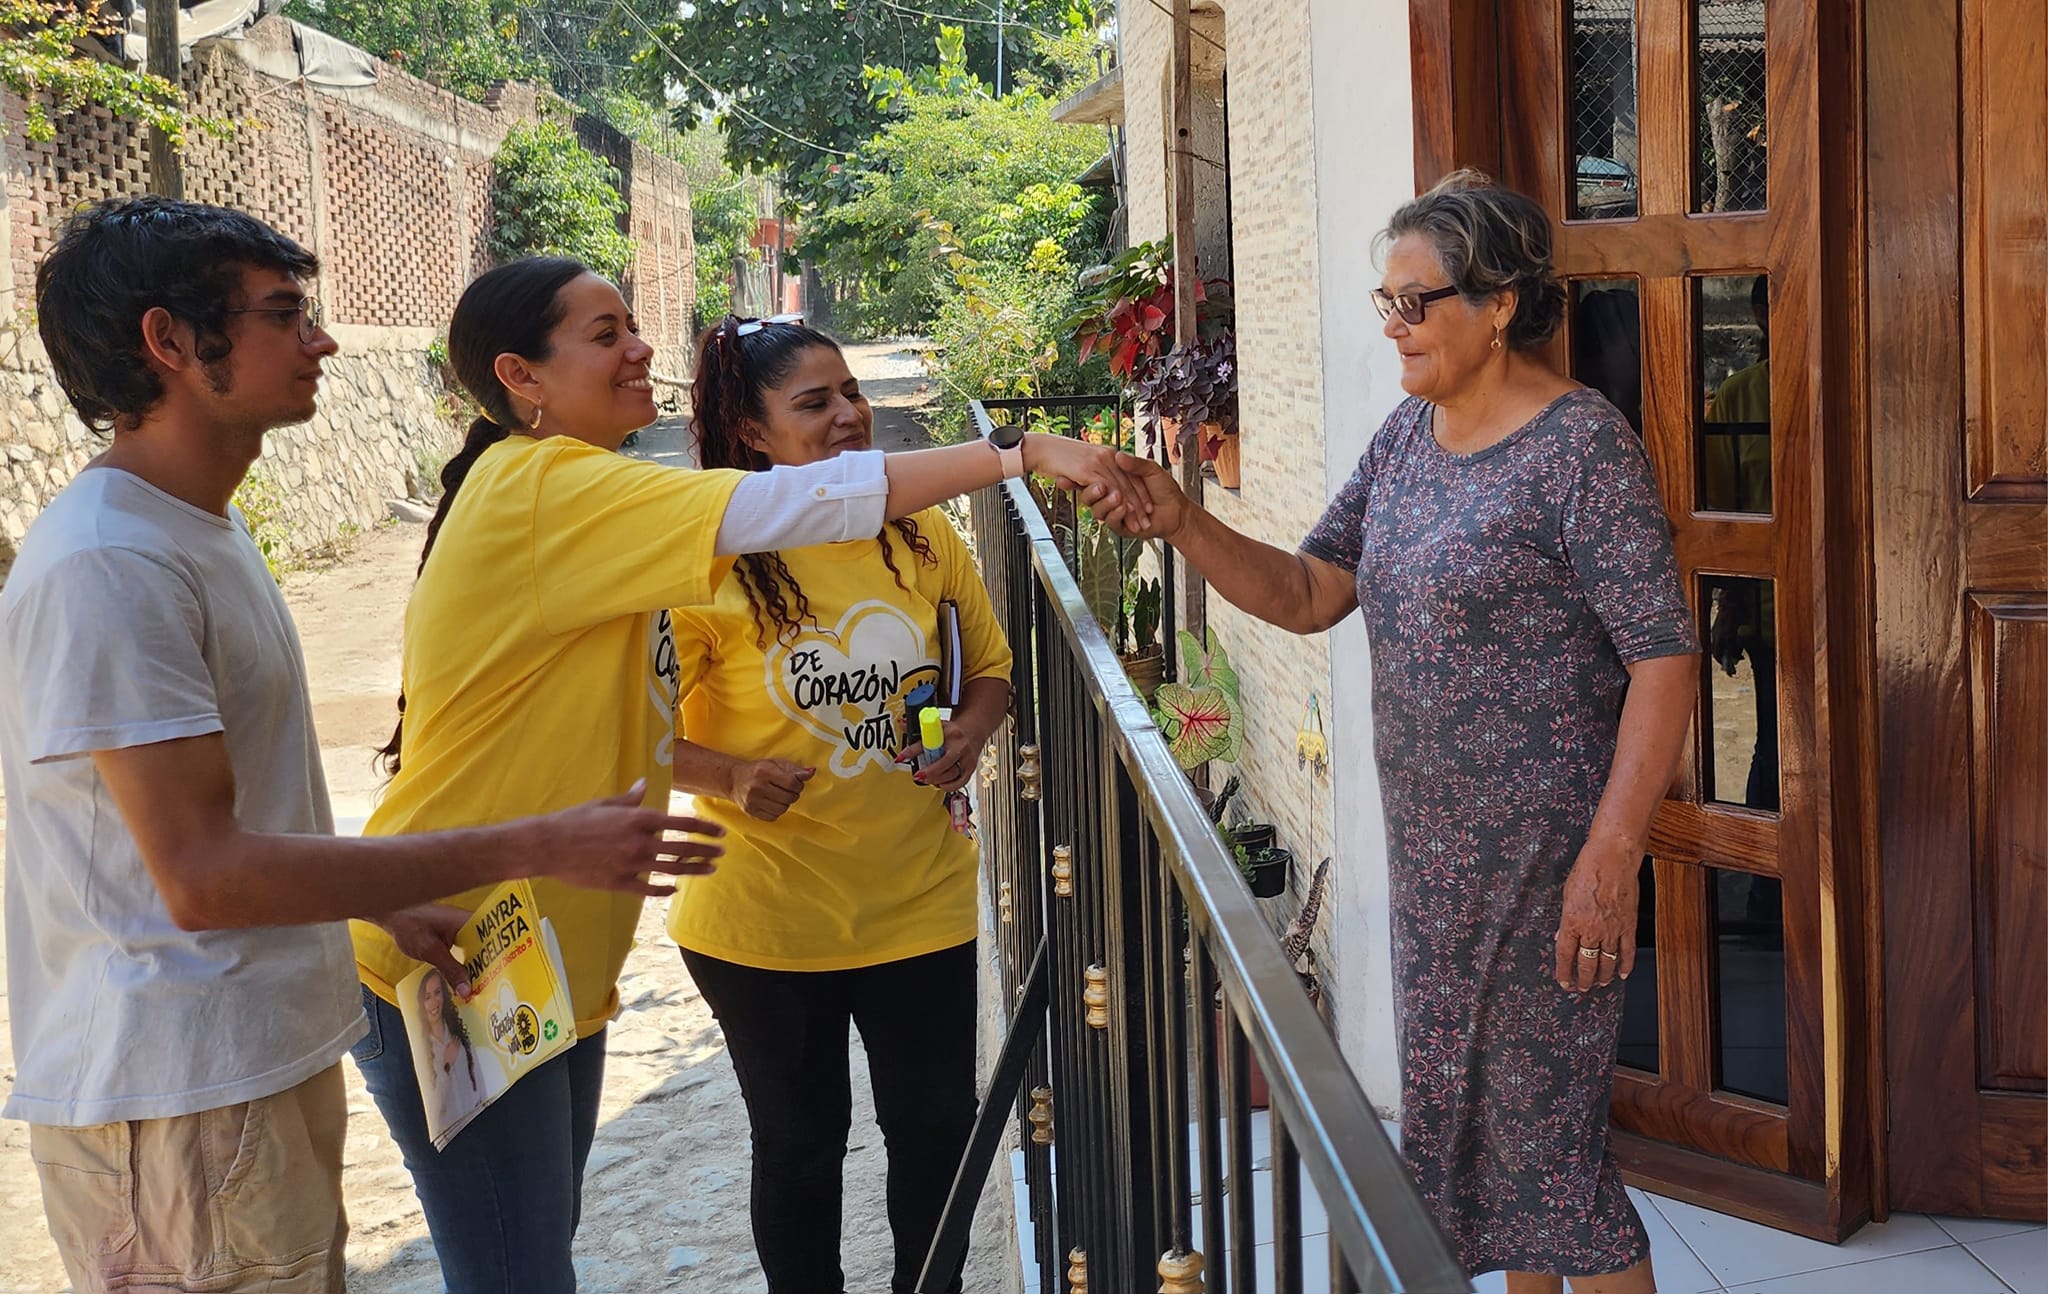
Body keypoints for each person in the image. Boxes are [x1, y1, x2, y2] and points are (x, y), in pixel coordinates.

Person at [346, 258, 1140, 1293]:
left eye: (632, 323)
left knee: (532, 1260)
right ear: (520, 375)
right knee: (521, 1272)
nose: (638, 347)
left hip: (539, 956)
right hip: (461, 938)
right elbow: (795, 511)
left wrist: (946, 726)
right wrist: (1019, 451)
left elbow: (941, 656)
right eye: (603, 334)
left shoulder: (590, 507)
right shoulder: (543, 485)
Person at [0, 199, 729, 1294]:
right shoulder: (113, 564)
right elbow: (202, 877)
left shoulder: (197, 529)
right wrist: (528, 843)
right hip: (176, 1097)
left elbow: (249, 828)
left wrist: (380, 898)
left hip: (250, 1067)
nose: (323, 341)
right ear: (169, 342)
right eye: (284, 315)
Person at [1109, 171, 1698, 1293]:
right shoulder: (1409, 437)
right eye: (1383, 301)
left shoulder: (1581, 447)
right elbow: (1305, 591)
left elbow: (1662, 658)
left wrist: (1609, 859)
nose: (1394, 325)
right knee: (1482, 1157)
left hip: (1544, 866)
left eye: (1414, 302)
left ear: (1500, 304)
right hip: (1436, 864)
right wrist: (1181, 519)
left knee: (1555, 1170)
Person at [664, 318, 1012, 1294]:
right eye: (813, 403)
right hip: (764, 923)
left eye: (849, 392)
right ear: (751, 429)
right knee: (800, 1149)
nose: (848, 414)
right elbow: (625, 728)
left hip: (919, 901)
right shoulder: (707, 560)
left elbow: (985, 670)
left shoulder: (917, 530)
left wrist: (965, 734)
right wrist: (728, 776)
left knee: (938, 1134)